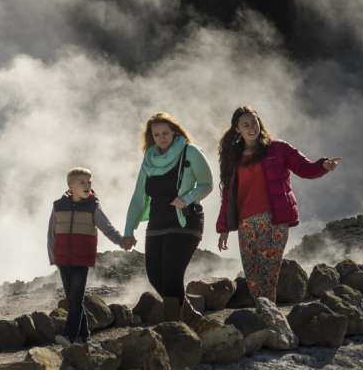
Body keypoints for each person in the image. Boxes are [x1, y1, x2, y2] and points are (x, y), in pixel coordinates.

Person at [215, 106, 340, 301]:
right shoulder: (234, 158)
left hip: (275, 220)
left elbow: (304, 168)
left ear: (259, 123)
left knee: (268, 273)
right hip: (246, 224)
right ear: (237, 129)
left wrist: (322, 166)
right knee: (253, 276)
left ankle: (270, 319)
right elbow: (228, 196)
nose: (251, 128)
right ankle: (266, 316)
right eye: (245, 125)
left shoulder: (278, 149)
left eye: (254, 122)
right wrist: (224, 228)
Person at [123, 112, 213, 323]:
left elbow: (206, 183)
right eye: (156, 134)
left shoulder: (189, 152)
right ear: (151, 137)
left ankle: (173, 330)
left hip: (185, 221)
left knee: (172, 275)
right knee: (155, 276)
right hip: (157, 222)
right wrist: (128, 231)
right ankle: (190, 317)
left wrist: (187, 198)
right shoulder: (149, 159)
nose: (161, 137)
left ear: (174, 132)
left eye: (165, 133)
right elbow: (138, 198)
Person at [47, 166, 134, 345]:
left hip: (81, 259)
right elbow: (51, 233)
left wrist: (121, 241)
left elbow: (107, 227)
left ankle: (70, 336)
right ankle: (85, 335)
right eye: (82, 182)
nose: (87, 185)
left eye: (89, 182)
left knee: (76, 298)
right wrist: (53, 257)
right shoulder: (58, 206)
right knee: (73, 299)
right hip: (63, 259)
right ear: (70, 186)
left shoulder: (93, 207)